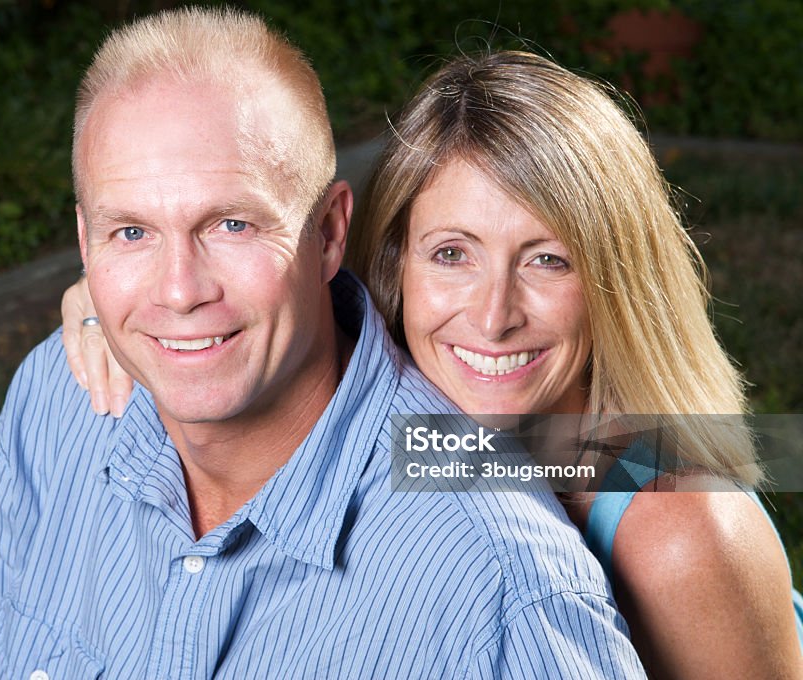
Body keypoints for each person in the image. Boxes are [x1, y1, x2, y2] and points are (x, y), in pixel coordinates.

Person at [0, 9, 648, 679]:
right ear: (85, 243)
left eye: (232, 224)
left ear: (329, 234)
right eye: (132, 231)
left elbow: (678, 462)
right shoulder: (62, 392)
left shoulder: (508, 582)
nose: (179, 290)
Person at [63, 50, 803, 678]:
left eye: (548, 261)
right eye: (452, 254)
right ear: (395, 263)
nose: (491, 315)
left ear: (615, 282)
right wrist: (108, 308)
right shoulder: (406, 416)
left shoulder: (680, 531)